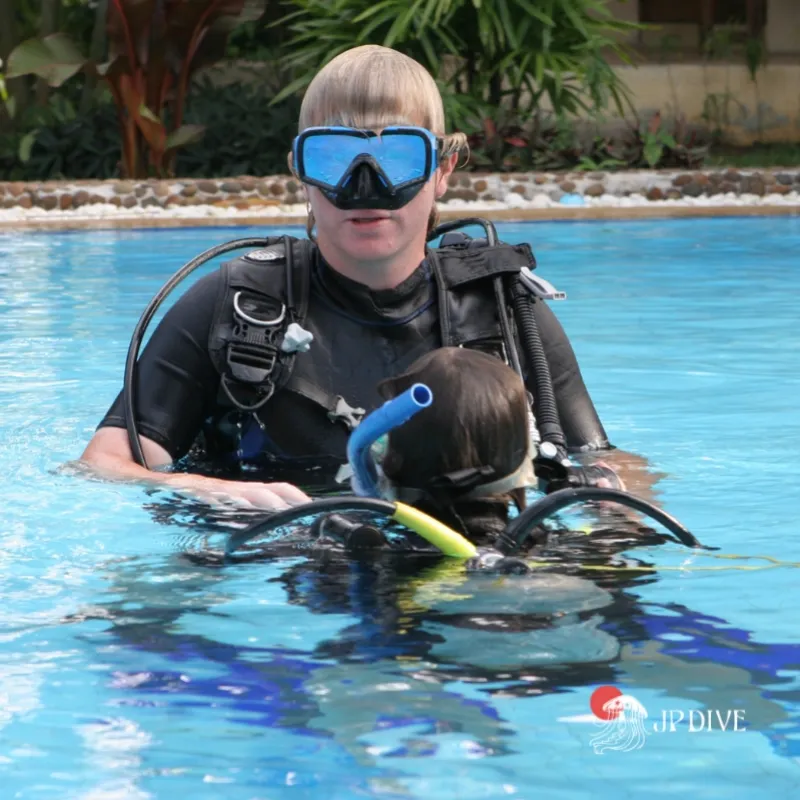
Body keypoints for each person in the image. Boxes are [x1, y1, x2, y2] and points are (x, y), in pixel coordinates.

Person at [80, 44, 645, 512]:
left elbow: (608, 463)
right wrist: (212, 492)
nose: (365, 186)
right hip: (278, 572)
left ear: (442, 170)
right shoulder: (232, 305)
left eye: (396, 156)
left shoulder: (501, 310)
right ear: (301, 172)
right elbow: (102, 464)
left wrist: (613, 515)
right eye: (335, 159)